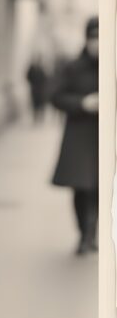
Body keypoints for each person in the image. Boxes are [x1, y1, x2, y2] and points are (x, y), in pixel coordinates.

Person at [49, 15, 99, 255]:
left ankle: (92, 234)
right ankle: (83, 234)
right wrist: (82, 103)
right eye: (94, 37)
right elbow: (56, 96)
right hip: (79, 136)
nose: (97, 43)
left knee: (101, 189)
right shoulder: (73, 67)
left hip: (105, 138)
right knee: (81, 188)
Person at [26, 54, 49, 123]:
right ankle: (35, 117)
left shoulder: (42, 68)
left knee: (41, 104)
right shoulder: (32, 68)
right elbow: (28, 76)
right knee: (34, 103)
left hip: (41, 89)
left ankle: (40, 117)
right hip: (34, 89)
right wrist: (32, 83)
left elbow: (45, 78)